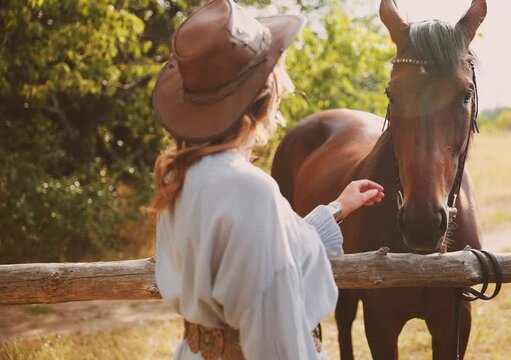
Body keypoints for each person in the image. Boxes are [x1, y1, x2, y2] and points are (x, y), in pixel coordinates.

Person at [148, 0, 385, 359]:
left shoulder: (182, 175)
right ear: (263, 98)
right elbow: (277, 339)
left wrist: (336, 208)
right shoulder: (248, 190)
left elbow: (255, 257)